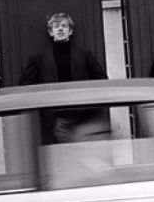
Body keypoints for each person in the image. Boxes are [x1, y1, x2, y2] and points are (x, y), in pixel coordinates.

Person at [19, 12, 107, 143]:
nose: (60, 29)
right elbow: (25, 85)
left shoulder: (84, 54)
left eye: (64, 26)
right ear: (51, 32)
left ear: (70, 31)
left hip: (83, 118)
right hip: (57, 120)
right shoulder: (39, 58)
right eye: (56, 26)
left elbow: (101, 80)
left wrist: (91, 106)